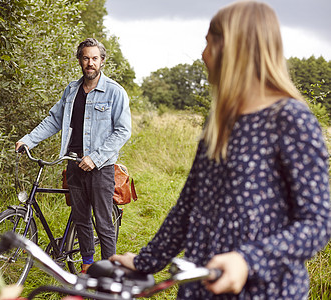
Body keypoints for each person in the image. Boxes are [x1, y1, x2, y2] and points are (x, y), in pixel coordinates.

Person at [110, 1, 330, 299]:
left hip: (264, 292)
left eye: (208, 43)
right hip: (200, 288)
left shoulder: (290, 119)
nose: (202, 55)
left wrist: (247, 260)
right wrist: (145, 262)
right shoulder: (219, 122)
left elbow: (316, 224)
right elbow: (187, 207)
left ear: (233, 48)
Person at [16, 38, 132, 273]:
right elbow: (53, 121)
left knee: (102, 223)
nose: (90, 63)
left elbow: (123, 131)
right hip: (73, 164)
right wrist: (28, 140)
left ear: (102, 61)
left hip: (100, 168)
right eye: (86, 58)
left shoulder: (114, 92)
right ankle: (87, 265)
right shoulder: (71, 90)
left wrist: (96, 157)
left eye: (95, 58)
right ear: (80, 60)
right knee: (81, 219)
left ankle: (110, 274)